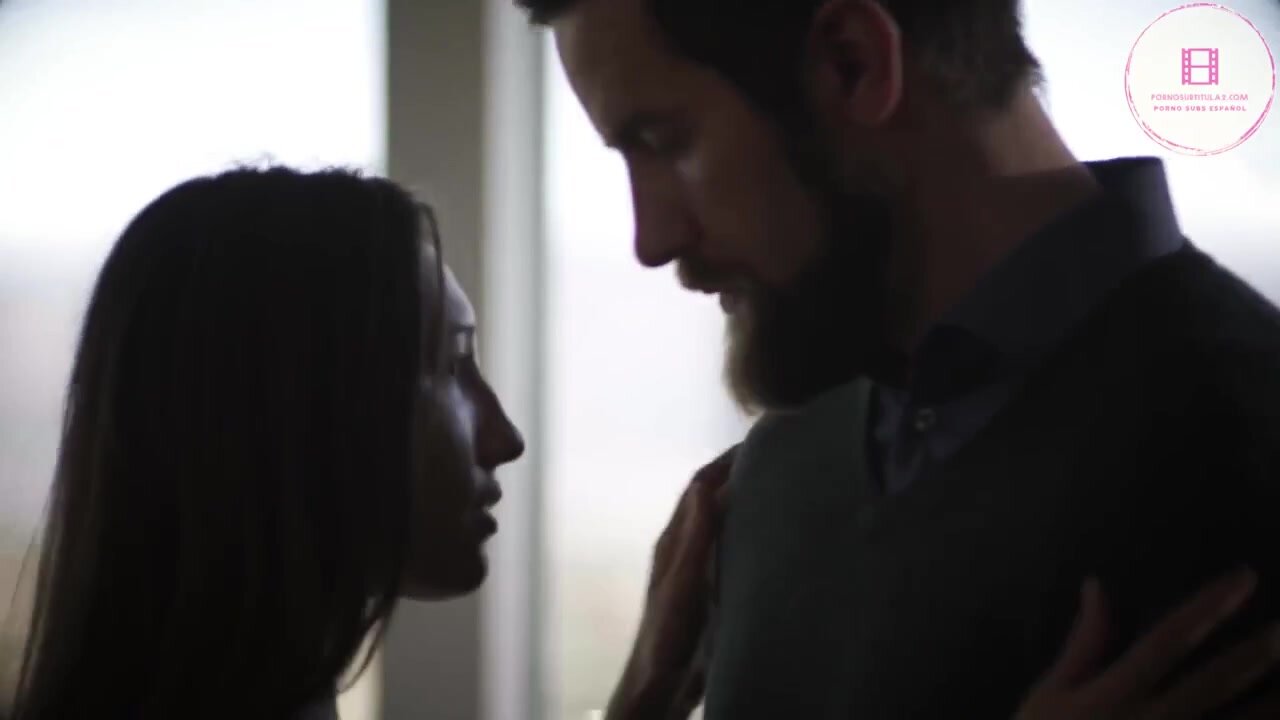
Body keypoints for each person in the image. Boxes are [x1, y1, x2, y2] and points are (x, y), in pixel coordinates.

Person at [517, 0, 1280, 717]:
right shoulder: (773, 474)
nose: (651, 241)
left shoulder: (1241, 435)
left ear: (852, 62)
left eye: (664, 143)